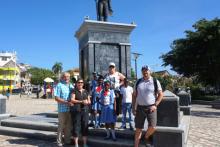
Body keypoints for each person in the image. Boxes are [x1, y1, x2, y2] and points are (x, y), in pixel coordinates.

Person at [132, 65, 163, 147]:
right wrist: (133, 107)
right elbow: (134, 95)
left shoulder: (155, 81)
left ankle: (146, 136)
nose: (145, 72)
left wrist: (155, 105)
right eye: (143, 70)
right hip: (140, 108)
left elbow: (161, 94)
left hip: (151, 107)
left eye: (146, 70)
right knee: (138, 129)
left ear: (150, 71)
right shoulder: (138, 82)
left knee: (153, 127)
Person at [54, 72, 74, 147]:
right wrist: (66, 102)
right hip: (62, 110)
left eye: (68, 77)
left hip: (70, 109)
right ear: (62, 77)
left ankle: (67, 140)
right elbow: (56, 98)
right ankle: (59, 141)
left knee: (68, 126)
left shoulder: (71, 85)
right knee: (61, 126)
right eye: (65, 77)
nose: (66, 78)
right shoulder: (59, 85)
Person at [70, 78, 91, 147]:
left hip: (85, 111)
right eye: (79, 82)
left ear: (83, 84)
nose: (80, 84)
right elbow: (72, 100)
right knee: (76, 126)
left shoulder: (86, 91)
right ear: (76, 83)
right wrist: (81, 101)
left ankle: (85, 144)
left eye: (81, 82)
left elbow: (89, 101)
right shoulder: (74, 91)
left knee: (85, 126)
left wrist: (87, 102)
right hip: (77, 111)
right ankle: (76, 144)